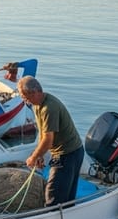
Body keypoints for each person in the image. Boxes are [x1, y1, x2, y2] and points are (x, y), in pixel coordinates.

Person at [18, 76, 85, 207]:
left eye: (26, 97)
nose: (25, 100)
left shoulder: (49, 108)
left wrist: (33, 157)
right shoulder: (37, 105)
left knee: (54, 193)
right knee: (63, 193)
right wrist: (40, 155)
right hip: (61, 152)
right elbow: (42, 134)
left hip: (68, 153)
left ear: (36, 92)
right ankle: (66, 216)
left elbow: (48, 140)